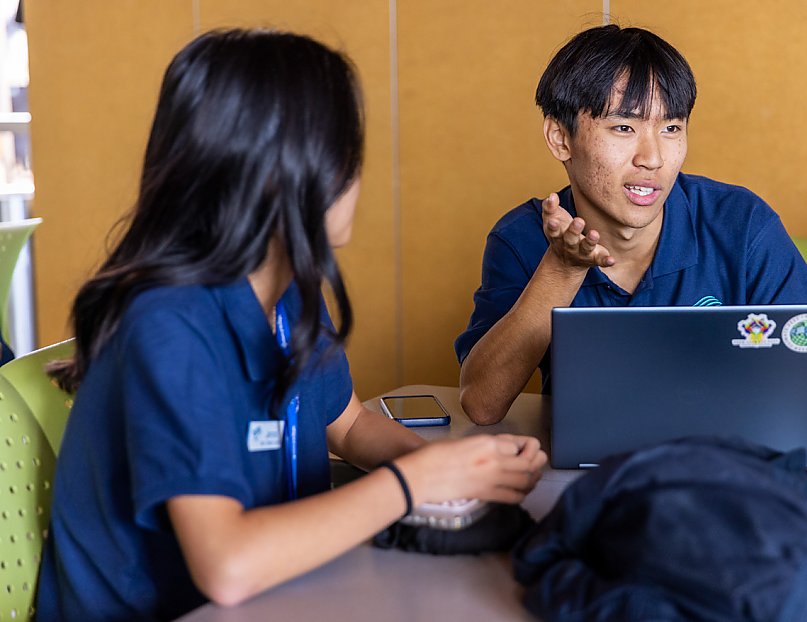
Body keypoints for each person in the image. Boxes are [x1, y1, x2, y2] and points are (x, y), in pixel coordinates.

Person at [36, 29, 546, 621]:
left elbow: (347, 423)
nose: (357, 179)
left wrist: (459, 473)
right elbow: (226, 566)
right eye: (347, 157)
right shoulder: (168, 324)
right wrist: (413, 483)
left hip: (281, 597)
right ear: (281, 174)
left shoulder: (288, 294)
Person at [455, 24, 807, 425]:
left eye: (671, 129)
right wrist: (561, 271)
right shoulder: (520, 237)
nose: (653, 158)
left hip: (727, 465)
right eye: (624, 127)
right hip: (586, 476)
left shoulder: (743, 223)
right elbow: (483, 405)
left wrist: (788, 358)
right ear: (560, 138)